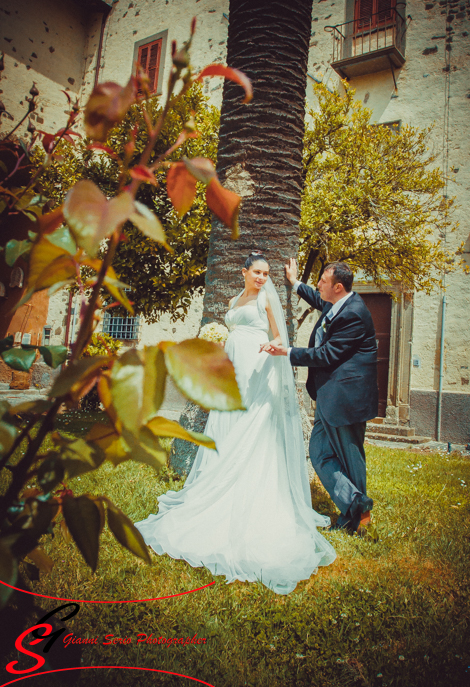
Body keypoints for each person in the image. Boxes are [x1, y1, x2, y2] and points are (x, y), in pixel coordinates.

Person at [135, 252, 336, 595]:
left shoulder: (266, 302)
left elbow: (279, 339)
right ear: (244, 272)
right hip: (230, 370)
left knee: (250, 429)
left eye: (266, 273)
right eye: (256, 272)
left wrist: (269, 346)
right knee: (225, 426)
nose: (261, 277)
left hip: (257, 370)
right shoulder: (232, 300)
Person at [266, 259, 378, 535]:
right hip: (331, 397)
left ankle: (356, 517)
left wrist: (288, 353)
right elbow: (318, 299)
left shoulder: (354, 314)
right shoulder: (338, 302)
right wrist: (295, 283)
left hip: (346, 399)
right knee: (319, 453)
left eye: (323, 281)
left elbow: (327, 355)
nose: (319, 285)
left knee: (351, 457)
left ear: (338, 287)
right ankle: (356, 505)